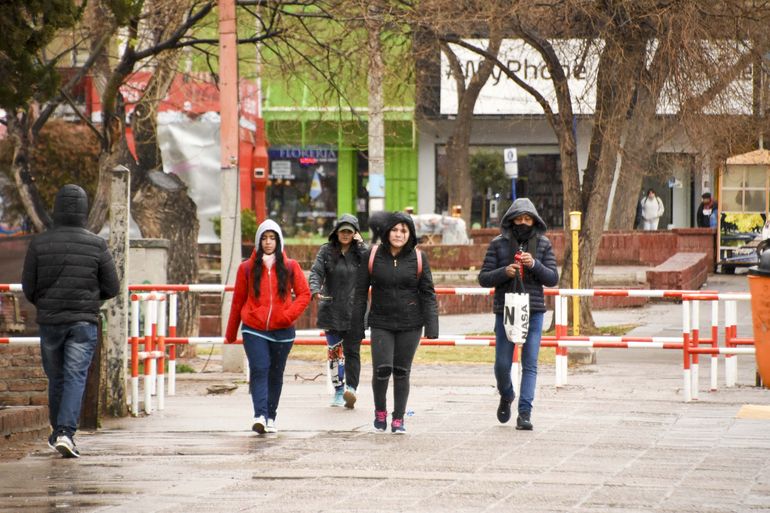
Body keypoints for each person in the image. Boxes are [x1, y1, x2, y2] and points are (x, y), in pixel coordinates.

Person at [21, 184, 120, 458]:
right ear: (84, 210)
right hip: (82, 322)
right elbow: (112, 287)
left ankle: (56, 433)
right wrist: (89, 299)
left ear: (56, 209)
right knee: (76, 376)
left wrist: (46, 303)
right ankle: (65, 432)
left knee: (56, 377)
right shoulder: (97, 244)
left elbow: (28, 287)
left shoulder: (39, 243)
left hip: (50, 321)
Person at [350, 212, 439, 434]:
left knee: (401, 371)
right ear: (387, 232)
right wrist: (357, 325)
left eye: (404, 231)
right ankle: (380, 411)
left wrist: (432, 325)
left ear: (410, 234)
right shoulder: (372, 255)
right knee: (382, 369)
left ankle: (398, 418)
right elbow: (360, 293)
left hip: (411, 323)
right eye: (395, 230)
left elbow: (428, 293)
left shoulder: (419, 258)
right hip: (381, 321)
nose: (399, 234)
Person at [478, 198, 558, 431]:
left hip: (533, 311)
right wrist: (505, 272)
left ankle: (525, 412)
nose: (523, 222)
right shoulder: (497, 244)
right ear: (511, 220)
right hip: (505, 310)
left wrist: (534, 264)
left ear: (534, 220)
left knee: (530, 363)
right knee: (502, 364)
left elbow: (552, 278)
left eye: (527, 218)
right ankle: (507, 394)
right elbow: (483, 278)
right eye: (519, 218)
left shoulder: (543, 244)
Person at [225, 219, 311, 434]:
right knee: (259, 368)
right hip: (254, 328)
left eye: (272, 238)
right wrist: (230, 332)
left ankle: (271, 416)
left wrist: (288, 315)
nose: (268, 242)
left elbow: (304, 294)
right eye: (264, 238)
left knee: (275, 373)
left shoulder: (291, 266)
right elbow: (238, 300)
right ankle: (260, 415)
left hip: (283, 331)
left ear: (279, 240)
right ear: (258, 241)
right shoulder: (246, 268)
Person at [308, 214, 367, 408]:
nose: (345, 234)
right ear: (336, 232)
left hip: (355, 311)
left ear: (355, 233)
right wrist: (315, 290)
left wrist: (362, 245)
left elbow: (373, 265)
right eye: (343, 230)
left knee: (352, 352)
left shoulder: (361, 253)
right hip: (331, 309)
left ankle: (351, 389)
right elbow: (316, 272)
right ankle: (338, 391)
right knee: (335, 352)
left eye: (350, 231)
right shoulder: (326, 251)